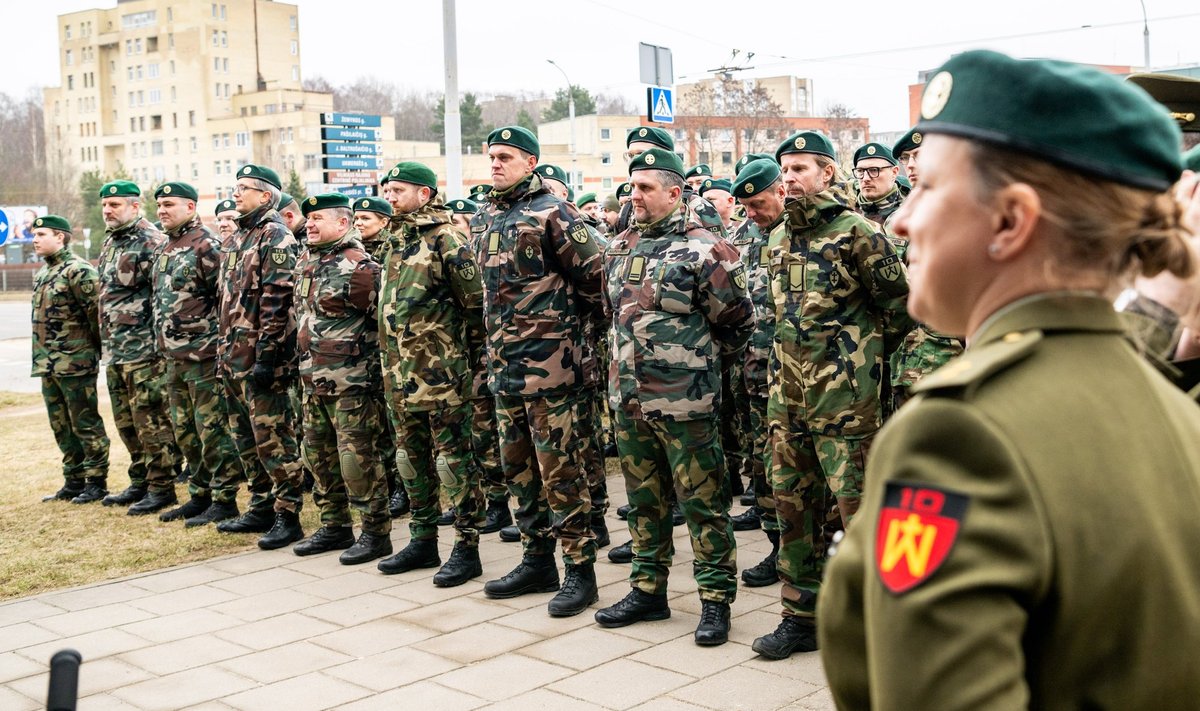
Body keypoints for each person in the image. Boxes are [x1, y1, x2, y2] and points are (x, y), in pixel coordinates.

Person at [819, 49, 1200, 709]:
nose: (903, 218)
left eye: (929, 187)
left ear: (1010, 220)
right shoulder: (1172, 406)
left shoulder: (959, 434)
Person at [745, 145, 912, 659]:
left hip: (847, 405)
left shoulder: (860, 232)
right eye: (785, 171)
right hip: (788, 403)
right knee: (792, 509)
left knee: (859, 514)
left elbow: (899, 310)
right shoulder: (776, 236)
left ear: (827, 173)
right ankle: (800, 616)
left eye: (800, 169)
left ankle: (876, 624)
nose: (789, 179)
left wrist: (858, 372)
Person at [593, 148, 755, 646]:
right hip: (629, 400)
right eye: (632, 186)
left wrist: (693, 367)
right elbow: (610, 314)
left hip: (686, 402)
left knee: (703, 504)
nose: (634, 196)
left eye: (645, 188)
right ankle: (647, 590)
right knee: (644, 502)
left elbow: (737, 323)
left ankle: (715, 600)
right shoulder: (619, 247)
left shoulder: (707, 249)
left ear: (674, 192)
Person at [471, 126, 605, 617]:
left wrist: (570, 340)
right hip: (504, 368)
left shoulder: (556, 212)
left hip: (553, 369)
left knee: (562, 472)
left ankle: (580, 571)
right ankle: (536, 559)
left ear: (530, 162)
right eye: (491, 157)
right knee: (519, 470)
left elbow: (597, 280)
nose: (495, 165)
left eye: (505, 157)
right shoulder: (487, 216)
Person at [375, 162, 489, 587]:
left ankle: (467, 545)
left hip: (442, 375)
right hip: (398, 375)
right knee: (409, 459)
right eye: (388, 189)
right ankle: (423, 538)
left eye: (399, 189)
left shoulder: (446, 238)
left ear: (425, 194)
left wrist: (471, 366)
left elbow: (475, 306)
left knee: (452, 462)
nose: (391, 196)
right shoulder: (395, 239)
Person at [292, 193, 391, 565]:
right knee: (318, 456)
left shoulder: (361, 267)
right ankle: (334, 525)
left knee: (358, 460)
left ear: (343, 223)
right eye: (308, 218)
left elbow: (382, 324)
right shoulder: (307, 262)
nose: (310, 224)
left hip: (352, 384)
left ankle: (375, 532)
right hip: (311, 379)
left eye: (318, 218)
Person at [214, 164, 306, 550]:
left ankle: (288, 514)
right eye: (235, 188)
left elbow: (278, 301)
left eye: (243, 188)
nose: (236, 194)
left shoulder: (276, 236)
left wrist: (267, 355)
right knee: (245, 435)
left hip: (261, 357)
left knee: (274, 436)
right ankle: (261, 504)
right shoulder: (238, 237)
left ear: (265, 195)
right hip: (233, 355)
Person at [150, 182, 243, 526]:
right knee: (185, 431)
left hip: (204, 358)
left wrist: (223, 350)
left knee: (212, 430)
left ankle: (224, 498)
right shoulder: (165, 247)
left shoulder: (208, 246)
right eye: (159, 205)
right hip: (172, 358)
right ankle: (199, 495)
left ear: (190, 207)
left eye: (169, 204)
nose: (162, 210)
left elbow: (228, 301)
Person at [94, 180, 177, 514]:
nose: (108, 211)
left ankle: (163, 486)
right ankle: (140, 478)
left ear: (134, 206)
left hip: (144, 351)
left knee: (151, 419)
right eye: (104, 205)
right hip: (115, 350)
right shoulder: (111, 242)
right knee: (125, 420)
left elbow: (165, 297)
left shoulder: (153, 242)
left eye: (115, 205)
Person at [31, 215, 110, 504]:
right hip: (48, 363)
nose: (35, 239)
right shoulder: (42, 274)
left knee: (85, 423)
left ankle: (96, 481)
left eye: (41, 234)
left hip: (75, 363)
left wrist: (93, 353)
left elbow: (96, 318)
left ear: (60, 237)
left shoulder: (79, 271)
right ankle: (73, 479)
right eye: (34, 234)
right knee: (61, 425)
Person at [351, 196, 406, 519]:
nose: (360, 225)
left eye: (366, 220)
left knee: (392, 429)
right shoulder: (357, 254)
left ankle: (401, 487)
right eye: (356, 219)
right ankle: (390, 483)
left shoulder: (387, 253)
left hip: (385, 351)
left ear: (385, 222)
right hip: (369, 352)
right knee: (381, 427)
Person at [852, 142, 904, 227]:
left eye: (874, 170)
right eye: (860, 171)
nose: (865, 178)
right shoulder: (843, 212)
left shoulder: (913, 213)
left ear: (894, 172)